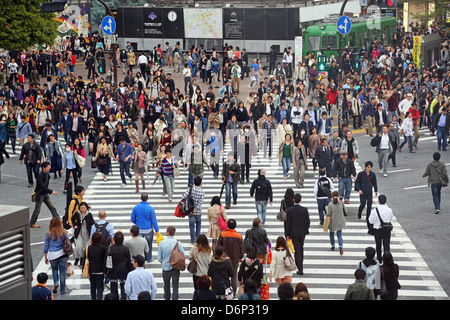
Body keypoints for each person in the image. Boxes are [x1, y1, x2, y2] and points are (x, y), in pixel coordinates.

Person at [217, 218, 244, 295]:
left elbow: (218, 246)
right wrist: (241, 257)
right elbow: (242, 248)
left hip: (224, 258)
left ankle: (224, 291)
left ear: (227, 226)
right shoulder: (239, 236)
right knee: (234, 276)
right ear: (235, 226)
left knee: (224, 276)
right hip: (235, 259)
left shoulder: (223, 234)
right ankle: (233, 293)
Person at [130, 193, 160, 263]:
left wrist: (137, 223)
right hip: (148, 230)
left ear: (140, 198)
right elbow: (154, 221)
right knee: (149, 244)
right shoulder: (150, 208)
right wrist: (157, 231)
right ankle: (149, 258)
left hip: (139, 230)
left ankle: (139, 258)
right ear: (147, 199)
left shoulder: (136, 207)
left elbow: (132, 219)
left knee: (138, 244)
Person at [285, 193, 310, 275]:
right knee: (301, 248)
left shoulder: (290, 210)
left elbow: (288, 223)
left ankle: (300, 267)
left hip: (293, 232)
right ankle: (300, 265)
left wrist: (287, 234)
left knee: (296, 250)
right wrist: (305, 229)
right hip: (302, 232)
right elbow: (308, 221)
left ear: (293, 200)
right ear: (300, 200)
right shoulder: (304, 209)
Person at [158, 226, 185, 300]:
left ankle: (167, 298)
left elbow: (159, 258)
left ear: (168, 232)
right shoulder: (178, 243)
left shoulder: (162, 243)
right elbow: (183, 254)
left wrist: (164, 262)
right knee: (175, 285)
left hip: (165, 267)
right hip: (175, 267)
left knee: (166, 285)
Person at [30, 162, 60, 228]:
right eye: (48, 167)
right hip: (40, 194)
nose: (49, 168)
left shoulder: (47, 174)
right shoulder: (40, 176)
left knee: (52, 207)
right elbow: (42, 185)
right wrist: (51, 191)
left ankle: (57, 219)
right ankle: (32, 223)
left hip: (45, 194)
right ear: (44, 168)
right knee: (37, 210)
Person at [44, 217, 69, 295]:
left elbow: (46, 246)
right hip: (62, 254)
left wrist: (45, 257)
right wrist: (67, 254)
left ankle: (55, 282)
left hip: (52, 255)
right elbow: (68, 243)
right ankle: (62, 290)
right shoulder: (64, 232)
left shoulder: (48, 234)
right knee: (62, 272)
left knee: (54, 270)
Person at [107, 231, 134, 300]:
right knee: (123, 287)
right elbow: (128, 261)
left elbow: (109, 262)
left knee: (113, 288)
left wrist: (107, 271)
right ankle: (123, 298)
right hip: (123, 270)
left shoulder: (110, 248)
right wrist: (130, 270)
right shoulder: (125, 248)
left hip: (113, 270)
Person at [368, 195, 394, 263]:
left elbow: (371, 221)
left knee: (378, 245)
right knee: (386, 245)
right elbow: (390, 218)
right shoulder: (389, 210)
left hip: (377, 230)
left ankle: (379, 259)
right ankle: (387, 259)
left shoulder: (374, 211)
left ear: (378, 201)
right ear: (386, 201)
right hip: (386, 229)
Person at [355, 161, 378, 232]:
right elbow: (357, 182)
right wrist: (358, 189)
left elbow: (374, 183)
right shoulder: (361, 174)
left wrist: (376, 190)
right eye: (368, 167)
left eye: (370, 167)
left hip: (369, 191)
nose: (369, 168)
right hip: (362, 191)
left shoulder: (372, 174)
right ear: (365, 167)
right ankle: (359, 212)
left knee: (369, 205)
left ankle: (368, 217)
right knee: (363, 204)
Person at [182, 176, 205, 244]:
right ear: (201, 183)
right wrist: (196, 209)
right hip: (198, 211)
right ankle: (198, 239)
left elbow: (183, 197)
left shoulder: (190, 189)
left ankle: (192, 240)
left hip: (190, 210)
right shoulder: (202, 192)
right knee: (198, 223)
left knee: (191, 225)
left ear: (194, 182)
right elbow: (200, 202)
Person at [71, 201, 94, 266]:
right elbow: (72, 219)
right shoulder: (77, 213)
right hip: (79, 232)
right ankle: (76, 258)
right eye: (81, 208)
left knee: (84, 247)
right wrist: (75, 225)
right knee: (78, 246)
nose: (82, 209)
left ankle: (81, 259)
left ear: (86, 208)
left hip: (86, 232)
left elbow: (93, 223)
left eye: (84, 208)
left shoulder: (89, 215)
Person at [87, 231, 108, 300]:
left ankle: (93, 298)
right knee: (99, 287)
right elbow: (105, 260)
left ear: (92, 240)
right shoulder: (104, 248)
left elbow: (86, 260)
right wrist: (106, 271)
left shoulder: (89, 248)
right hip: (100, 270)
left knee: (92, 286)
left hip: (91, 270)